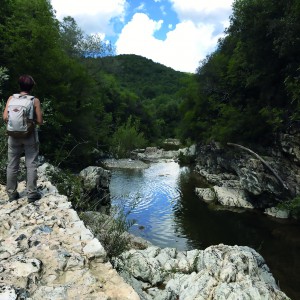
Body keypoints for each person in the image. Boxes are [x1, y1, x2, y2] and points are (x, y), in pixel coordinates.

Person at [3, 74, 43, 202]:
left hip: (13, 135)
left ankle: (11, 193)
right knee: (31, 164)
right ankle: (31, 193)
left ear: (19, 85)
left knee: (12, 165)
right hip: (29, 135)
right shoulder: (34, 100)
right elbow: (40, 121)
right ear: (32, 87)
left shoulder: (11, 98)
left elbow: (5, 117)